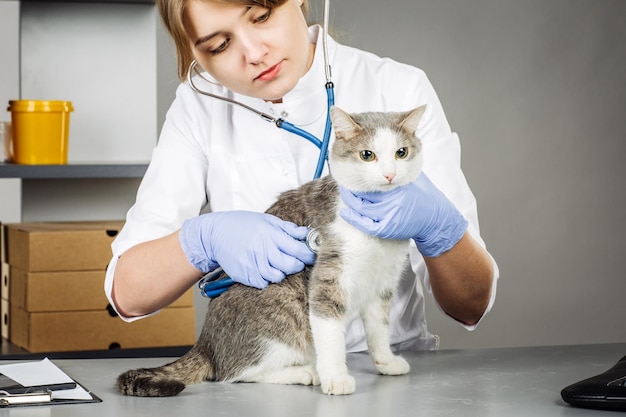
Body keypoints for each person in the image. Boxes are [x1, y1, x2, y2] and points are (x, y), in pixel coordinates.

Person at [104, 0, 499, 352]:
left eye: (262, 16)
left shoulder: (395, 86)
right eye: (219, 46)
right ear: (194, 55)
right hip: (267, 375)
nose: (255, 53)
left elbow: (470, 305)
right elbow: (128, 293)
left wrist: (440, 229)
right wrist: (201, 239)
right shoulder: (198, 107)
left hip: (388, 368)